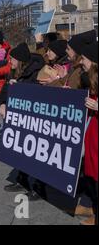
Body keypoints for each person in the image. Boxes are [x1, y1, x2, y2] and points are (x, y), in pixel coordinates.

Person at [0, 43, 46, 201]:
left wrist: (19, 87)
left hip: (33, 120)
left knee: (34, 152)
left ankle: (39, 187)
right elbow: (5, 89)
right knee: (21, 150)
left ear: (19, 60)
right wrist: (3, 103)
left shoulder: (36, 71)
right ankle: (22, 179)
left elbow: (40, 94)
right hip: (18, 118)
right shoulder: (14, 71)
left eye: (11, 58)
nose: (9, 61)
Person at [78, 41, 98, 225]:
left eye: (83, 58)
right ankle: (93, 209)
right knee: (91, 175)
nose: (80, 61)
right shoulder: (90, 79)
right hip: (91, 137)